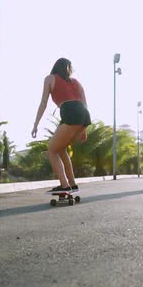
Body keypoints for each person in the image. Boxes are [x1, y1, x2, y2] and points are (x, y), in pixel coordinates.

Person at [32, 58, 91, 192]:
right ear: (67, 68)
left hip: (70, 112)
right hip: (84, 115)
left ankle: (64, 185)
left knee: (52, 151)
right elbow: (85, 104)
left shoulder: (50, 78)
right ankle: (72, 184)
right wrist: (84, 129)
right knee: (61, 149)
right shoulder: (77, 82)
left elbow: (43, 103)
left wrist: (35, 124)